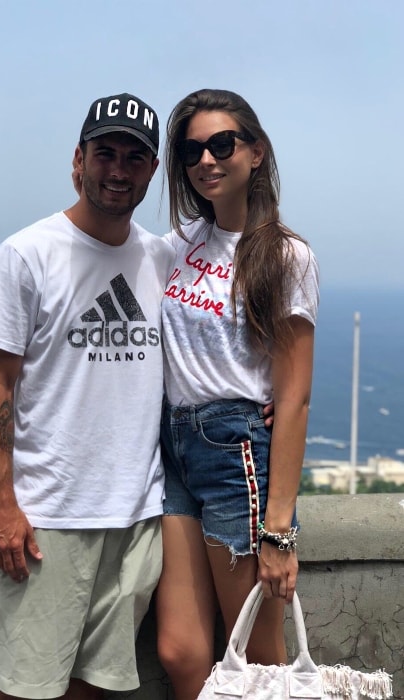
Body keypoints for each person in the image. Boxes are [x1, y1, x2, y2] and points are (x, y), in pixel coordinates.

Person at [0, 93, 176, 700]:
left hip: (138, 515)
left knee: (95, 687)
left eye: (134, 158)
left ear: (152, 171)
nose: (118, 170)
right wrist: (2, 506)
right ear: (77, 160)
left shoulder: (159, 256)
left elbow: (214, 333)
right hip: (51, 516)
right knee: (19, 687)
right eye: (104, 153)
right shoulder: (27, 253)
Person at [155, 88, 320, 700]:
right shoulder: (175, 246)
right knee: (180, 650)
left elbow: (294, 397)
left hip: (235, 456)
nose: (206, 160)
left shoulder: (285, 256)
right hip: (173, 449)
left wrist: (279, 532)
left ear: (255, 151)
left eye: (222, 144)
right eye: (192, 149)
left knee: (256, 655)